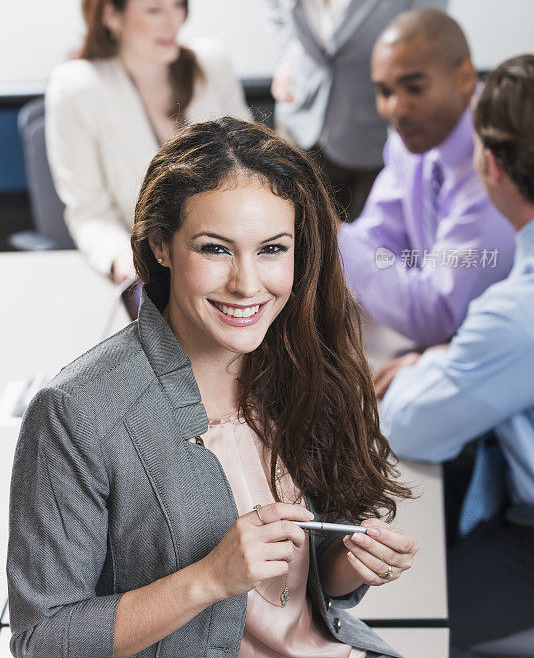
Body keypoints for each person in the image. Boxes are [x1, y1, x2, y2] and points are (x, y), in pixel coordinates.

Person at [8, 117, 418, 658]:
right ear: (160, 245)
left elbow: (304, 590)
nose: (247, 284)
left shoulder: (304, 368)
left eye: (272, 249)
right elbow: (43, 642)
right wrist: (209, 579)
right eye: (216, 249)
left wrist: (348, 565)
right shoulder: (76, 414)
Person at [379, 56, 534, 656]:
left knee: (386, 623)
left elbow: (409, 425)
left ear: (490, 165)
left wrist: (432, 364)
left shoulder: (517, 316)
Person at [254, 0, 452, 220]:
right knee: (295, 252)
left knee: (361, 263)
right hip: (300, 121)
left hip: (376, 138)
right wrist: (289, 50)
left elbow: (421, 50)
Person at [46, 0, 250, 283]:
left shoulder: (211, 65)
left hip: (238, 257)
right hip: (151, 274)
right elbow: (91, 214)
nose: (174, 22)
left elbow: (254, 171)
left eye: (179, 4)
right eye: (155, 9)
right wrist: (122, 260)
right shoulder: (77, 89)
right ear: (112, 14)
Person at [338, 10, 515, 371]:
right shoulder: (413, 139)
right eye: (384, 92)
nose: (396, 108)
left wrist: (329, 232)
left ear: (464, 76)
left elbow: (436, 312)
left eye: (414, 87)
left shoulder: (496, 154)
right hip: (441, 345)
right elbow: (375, 240)